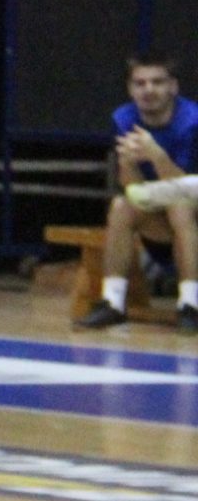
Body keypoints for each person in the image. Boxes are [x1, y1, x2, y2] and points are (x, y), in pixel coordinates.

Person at [78, 53, 198, 331]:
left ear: (173, 87)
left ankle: (190, 304)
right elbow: (132, 189)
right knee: (121, 206)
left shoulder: (192, 121)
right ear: (131, 89)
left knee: (179, 206)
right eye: (140, 83)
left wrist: (157, 156)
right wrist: (129, 163)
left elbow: (188, 188)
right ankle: (113, 302)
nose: (148, 90)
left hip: (191, 212)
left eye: (157, 82)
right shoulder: (123, 119)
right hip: (160, 215)